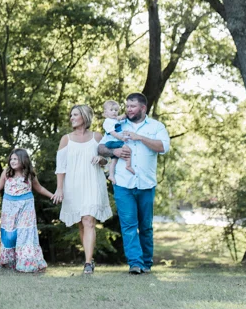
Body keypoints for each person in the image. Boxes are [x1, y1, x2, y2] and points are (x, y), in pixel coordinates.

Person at [98, 92, 171, 274]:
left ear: (143, 108)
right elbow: (101, 147)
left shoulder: (156, 126)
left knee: (145, 227)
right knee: (129, 225)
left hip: (146, 184)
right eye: (127, 106)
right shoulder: (118, 124)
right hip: (123, 184)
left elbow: (163, 147)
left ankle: (146, 263)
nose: (128, 109)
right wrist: (114, 153)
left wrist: (140, 138)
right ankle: (135, 264)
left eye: (133, 106)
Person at [55, 104, 112, 274]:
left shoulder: (97, 137)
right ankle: (90, 258)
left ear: (84, 117)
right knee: (81, 223)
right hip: (73, 185)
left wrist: (101, 159)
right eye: (71, 115)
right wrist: (59, 189)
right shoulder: (66, 139)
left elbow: (107, 161)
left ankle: (87, 263)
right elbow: (61, 167)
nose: (71, 118)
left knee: (88, 220)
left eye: (75, 115)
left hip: (93, 182)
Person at [0, 148, 57, 273]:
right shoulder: (7, 173)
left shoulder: (29, 174)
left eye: (15, 159)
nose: (12, 161)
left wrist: (52, 196)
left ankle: (26, 264)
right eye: (11, 159)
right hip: (9, 208)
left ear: (23, 160)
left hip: (26, 207)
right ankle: (9, 262)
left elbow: (39, 188)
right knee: (9, 235)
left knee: (25, 234)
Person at [102, 100, 133, 182]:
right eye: (111, 110)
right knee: (128, 149)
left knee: (114, 161)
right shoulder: (107, 122)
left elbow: (125, 116)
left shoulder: (115, 120)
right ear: (106, 112)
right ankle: (128, 165)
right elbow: (113, 133)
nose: (114, 112)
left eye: (116, 110)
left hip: (115, 142)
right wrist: (121, 138)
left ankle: (111, 175)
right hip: (112, 142)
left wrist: (121, 116)